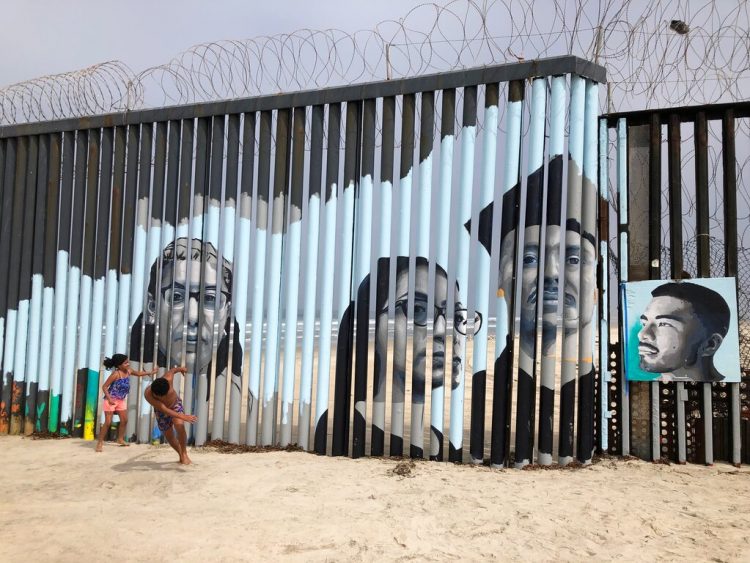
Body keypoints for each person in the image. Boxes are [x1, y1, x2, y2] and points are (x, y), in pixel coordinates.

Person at [129, 237, 242, 399]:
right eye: (176, 296)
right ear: (151, 308)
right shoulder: (134, 388)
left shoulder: (232, 388)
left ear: (227, 311)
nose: (193, 317)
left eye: (210, 298)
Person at [637, 281, 730, 382]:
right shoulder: (646, 392)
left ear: (710, 344)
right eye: (644, 323)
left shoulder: (730, 392)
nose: (642, 334)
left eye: (664, 324)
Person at [95, 354, 157, 452]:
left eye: (128, 361)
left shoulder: (129, 371)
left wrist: (151, 372)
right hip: (110, 400)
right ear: (119, 366)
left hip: (121, 400)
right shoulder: (116, 374)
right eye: (125, 363)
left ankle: (120, 439)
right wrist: (109, 398)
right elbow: (104, 387)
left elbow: (138, 373)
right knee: (107, 422)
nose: (128, 364)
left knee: (124, 420)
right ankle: (99, 443)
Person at [144, 367, 197, 464]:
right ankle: (180, 454)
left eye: (165, 394)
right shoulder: (148, 394)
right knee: (169, 436)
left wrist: (181, 369)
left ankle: (184, 454)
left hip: (175, 405)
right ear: (154, 393)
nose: (164, 397)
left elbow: (172, 370)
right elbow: (164, 409)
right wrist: (183, 416)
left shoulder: (168, 378)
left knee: (179, 426)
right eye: (160, 396)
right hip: (161, 411)